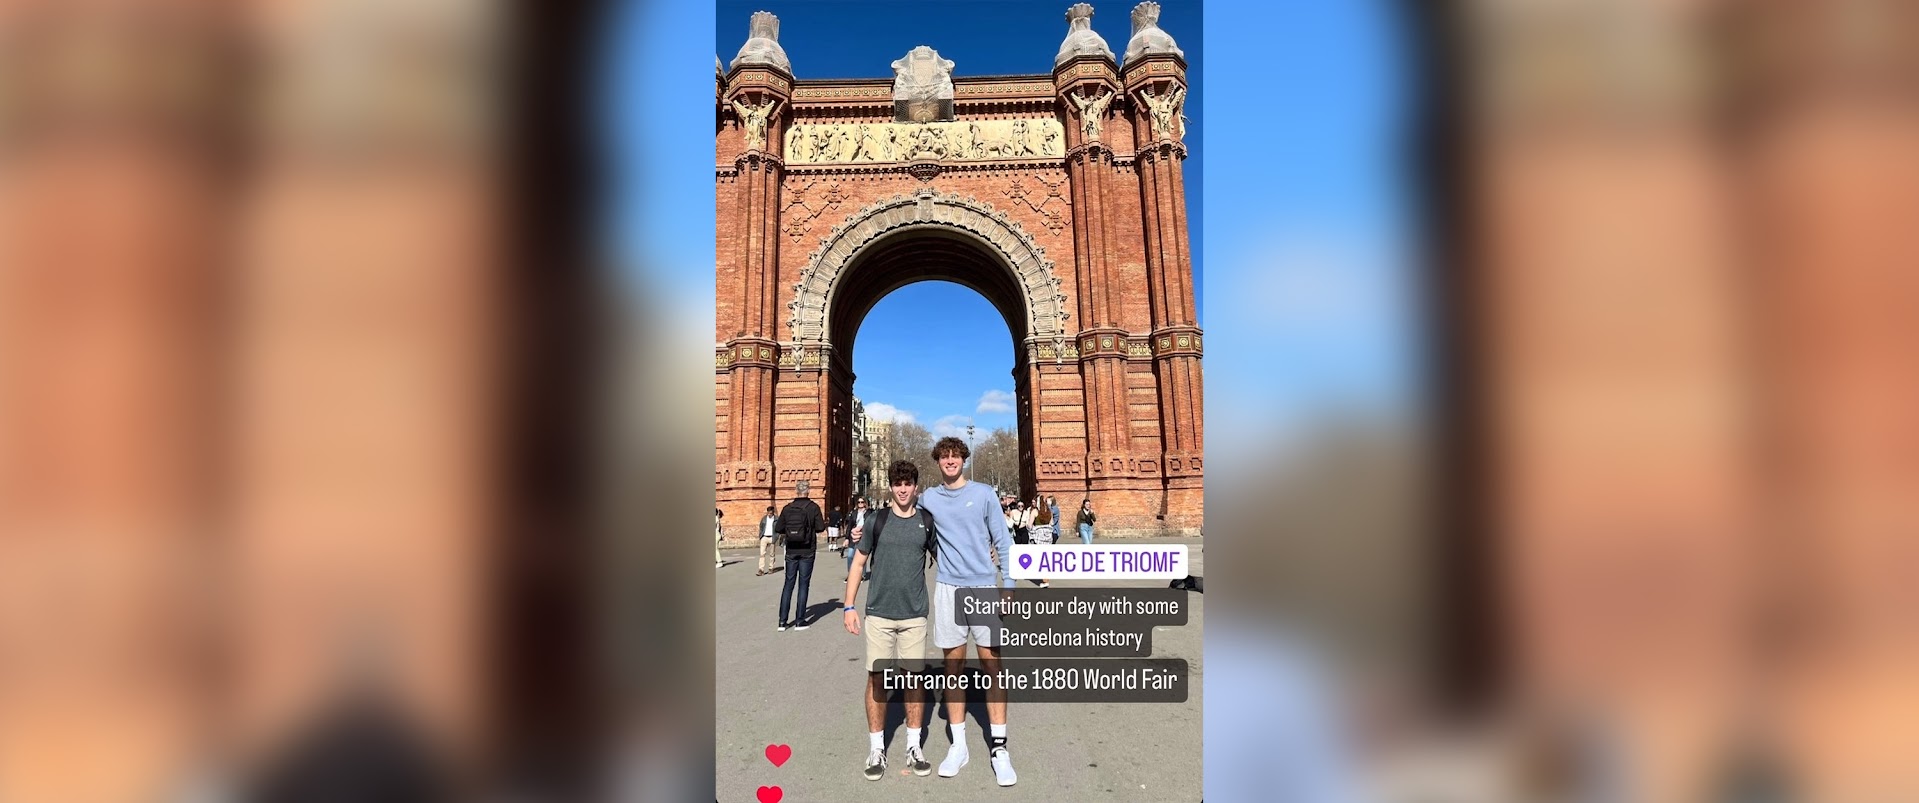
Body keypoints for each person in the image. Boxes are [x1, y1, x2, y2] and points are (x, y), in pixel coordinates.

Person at [914, 436, 1017, 786]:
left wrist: (1009, 585)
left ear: (964, 459)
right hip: (948, 587)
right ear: (938, 462)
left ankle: (999, 747)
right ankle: (958, 746)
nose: (950, 461)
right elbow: (900, 514)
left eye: (955, 456)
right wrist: (859, 532)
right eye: (944, 457)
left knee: (992, 663)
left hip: (984, 587)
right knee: (952, 666)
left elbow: (1003, 541)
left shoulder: (985, 494)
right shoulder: (929, 498)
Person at [842, 460, 938, 781]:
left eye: (907, 483)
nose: (902, 488)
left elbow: (948, 559)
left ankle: (913, 746)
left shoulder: (926, 521)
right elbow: (858, 564)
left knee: (914, 680)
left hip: (914, 616)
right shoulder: (875, 520)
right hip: (879, 614)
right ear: (891, 486)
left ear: (915, 487)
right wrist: (848, 606)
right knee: (877, 679)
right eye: (897, 483)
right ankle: (876, 748)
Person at [776, 480, 826, 631]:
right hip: (807, 550)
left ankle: (782, 622)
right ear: (808, 491)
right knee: (803, 585)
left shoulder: (787, 508)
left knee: (788, 584)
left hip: (791, 550)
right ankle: (800, 620)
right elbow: (820, 527)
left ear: (796, 491)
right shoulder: (813, 507)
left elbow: (779, 528)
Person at [1029, 496, 1053, 588]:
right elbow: (1052, 523)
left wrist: (1031, 530)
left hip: (1038, 538)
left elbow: (1029, 525)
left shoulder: (1035, 512)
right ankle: (1046, 579)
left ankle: (1044, 580)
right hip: (1047, 538)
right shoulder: (1049, 512)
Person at [846, 497, 870, 576]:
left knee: (861, 556)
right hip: (853, 535)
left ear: (865, 503)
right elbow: (849, 525)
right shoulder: (854, 512)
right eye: (859, 502)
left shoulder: (869, 512)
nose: (860, 504)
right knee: (850, 555)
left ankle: (862, 575)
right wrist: (846, 538)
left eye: (862, 502)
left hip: (863, 536)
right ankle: (851, 574)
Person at [757, 505, 780, 576]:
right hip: (764, 537)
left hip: (772, 537)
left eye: (771, 513)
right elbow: (761, 527)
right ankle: (761, 569)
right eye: (768, 513)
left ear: (773, 512)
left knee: (772, 554)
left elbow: (778, 528)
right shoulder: (764, 519)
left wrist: (776, 537)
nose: (769, 514)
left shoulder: (776, 519)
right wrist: (761, 536)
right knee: (762, 554)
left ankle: (771, 568)